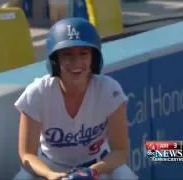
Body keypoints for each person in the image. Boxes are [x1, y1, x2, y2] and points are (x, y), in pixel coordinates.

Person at [13, 17, 138, 180]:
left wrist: (92, 171)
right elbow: (27, 155)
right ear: (55, 60)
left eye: (84, 53)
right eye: (67, 55)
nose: (76, 62)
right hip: (50, 166)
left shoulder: (109, 90)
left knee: (125, 176)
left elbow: (120, 151)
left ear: (94, 57)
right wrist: (51, 175)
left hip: (98, 165)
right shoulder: (37, 93)